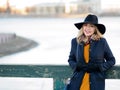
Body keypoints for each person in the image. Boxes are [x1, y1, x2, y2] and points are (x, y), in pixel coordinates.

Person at [66, 14, 116, 90]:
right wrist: (77, 66)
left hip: (96, 84)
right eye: (85, 25)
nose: (88, 28)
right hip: (77, 84)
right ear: (82, 27)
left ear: (95, 29)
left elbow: (111, 60)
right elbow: (71, 59)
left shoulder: (102, 42)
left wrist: (99, 67)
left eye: (91, 26)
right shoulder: (75, 41)